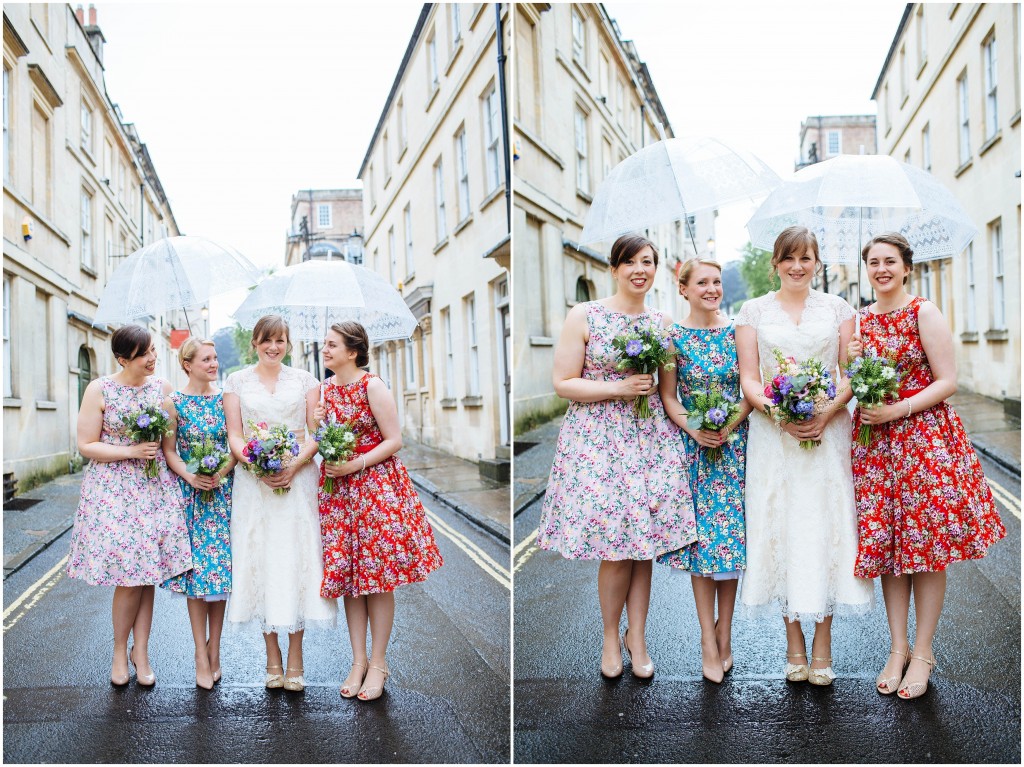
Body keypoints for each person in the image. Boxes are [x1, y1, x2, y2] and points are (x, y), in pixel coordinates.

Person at [848, 233, 1005, 699]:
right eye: (873, 262)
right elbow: (852, 384)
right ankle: (896, 649)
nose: (881, 269)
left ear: (905, 267)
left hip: (923, 442)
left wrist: (899, 410)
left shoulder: (924, 311)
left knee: (925, 547)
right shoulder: (858, 323)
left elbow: (948, 381)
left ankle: (923, 651)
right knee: (889, 548)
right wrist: (850, 364)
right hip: (875, 448)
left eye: (889, 261)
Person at [537, 233, 697, 680]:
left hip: (649, 442)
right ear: (615, 268)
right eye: (630, 263)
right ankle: (610, 635)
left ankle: (638, 636)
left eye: (647, 262)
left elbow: (669, 392)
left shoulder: (663, 323)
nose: (639, 270)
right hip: (598, 442)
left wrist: (702, 425)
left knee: (643, 545)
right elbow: (564, 382)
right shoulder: (584, 315)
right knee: (615, 546)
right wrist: (619, 388)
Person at [734, 225, 873, 686]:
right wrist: (781, 414)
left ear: (817, 263)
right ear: (775, 263)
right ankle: (793, 643)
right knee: (781, 527)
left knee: (825, 528)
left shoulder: (839, 309)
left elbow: (851, 372)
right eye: (789, 258)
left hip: (828, 431)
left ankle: (824, 647)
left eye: (807, 258)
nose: (798, 266)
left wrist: (828, 409)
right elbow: (750, 380)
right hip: (774, 438)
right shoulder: (752, 312)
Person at [314, 321, 443, 702]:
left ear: (352, 351)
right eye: (324, 344)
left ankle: (379, 663)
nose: (325, 350)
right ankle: (357, 662)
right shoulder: (323, 390)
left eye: (332, 345)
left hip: (373, 489)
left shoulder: (373, 385)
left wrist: (356, 464)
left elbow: (395, 440)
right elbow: (321, 443)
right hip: (337, 493)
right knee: (350, 578)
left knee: (377, 578)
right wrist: (318, 424)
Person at [66, 325, 192, 686]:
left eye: (153, 350)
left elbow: (172, 443)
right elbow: (86, 444)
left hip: (154, 489)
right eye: (144, 353)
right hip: (114, 492)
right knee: (129, 576)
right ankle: (120, 650)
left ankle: (142, 651)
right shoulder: (99, 388)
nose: (153, 358)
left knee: (146, 573)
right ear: (123, 359)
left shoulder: (162, 389)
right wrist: (131, 451)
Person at [223, 315, 337, 692]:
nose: (274, 347)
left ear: (288, 343)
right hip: (254, 485)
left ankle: (297, 659)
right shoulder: (236, 381)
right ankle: (272, 659)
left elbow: (315, 432)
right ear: (255, 342)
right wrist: (256, 463)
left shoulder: (307, 381)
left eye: (281, 340)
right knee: (261, 561)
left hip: (297, 479)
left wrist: (294, 464)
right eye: (267, 340)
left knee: (295, 561)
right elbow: (235, 436)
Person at [657, 258, 751, 683]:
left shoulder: (738, 332)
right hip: (694, 450)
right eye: (703, 283)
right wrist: (696, 429)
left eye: (716, 282)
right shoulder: (672, 338)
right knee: (703, 547)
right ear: (684, 289)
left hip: (735, 448)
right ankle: (706, 641)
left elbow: (751, 389)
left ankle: (725, 633)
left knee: (731, 542)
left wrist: (727, 425)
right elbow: (670, 398)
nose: (712, 289)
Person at [161, 338, 235, 689]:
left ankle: (215, 649)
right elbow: (170, 451)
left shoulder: (226, 400)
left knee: (219, 576)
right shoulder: (173, 403)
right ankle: (199, 654)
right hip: (190, 497)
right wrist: (190, 475)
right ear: (187, 364)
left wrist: (221, 472)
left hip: (222, 495)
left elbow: (236, 444)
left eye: (215, 357)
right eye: (206, 358)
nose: (213, 363)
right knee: (196, 578)